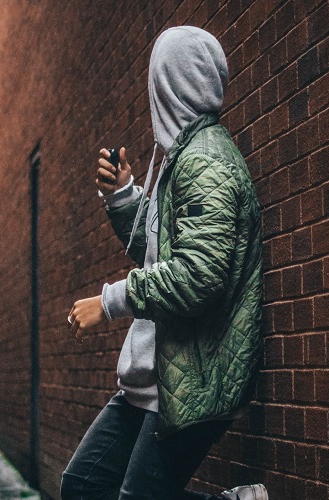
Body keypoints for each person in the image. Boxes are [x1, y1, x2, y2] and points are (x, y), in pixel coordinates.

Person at [62, 26, 266, 500]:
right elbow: (163, 256)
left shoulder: (207, 162)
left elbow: (198, 275)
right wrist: (124, 197)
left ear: (170, 85)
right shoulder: (184, 159)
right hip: (153, 378)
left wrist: (110, 301)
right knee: (84, 485)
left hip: (188, 380)